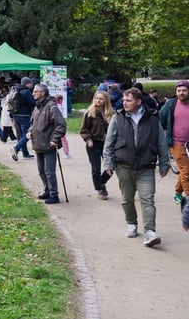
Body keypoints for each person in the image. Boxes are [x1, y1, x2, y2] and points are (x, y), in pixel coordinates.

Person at [104, 87, 170, 246]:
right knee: (127, 199)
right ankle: (131, 223)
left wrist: (165, 163)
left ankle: (150, 232)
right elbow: (109, 142)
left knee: (147, 199)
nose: (124, 103)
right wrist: (108, 162)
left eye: (128, 100)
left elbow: (161, 141)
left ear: (138, 102)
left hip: (146, 166)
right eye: (124, 100)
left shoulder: (153, 118)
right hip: (124, 165)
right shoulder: (118, 117)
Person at [26, 83, 66, 204]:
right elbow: (33, 123)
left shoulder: (51, 106)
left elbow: (61, 125)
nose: (33, 93)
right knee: (41, 171)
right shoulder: (37, 107)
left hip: (48, 144)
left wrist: (55, 139)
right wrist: (29, 131)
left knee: (49, 171)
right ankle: (47, 190)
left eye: (35, 91)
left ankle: (54, 194)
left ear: (42, 93)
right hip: (38, 143)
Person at [159, 80, 189, 205]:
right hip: (176, 142)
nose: (181, 93)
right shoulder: (171, 104)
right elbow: (161, 119)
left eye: (184, 90)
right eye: (179, 90)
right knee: (186, 171)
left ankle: (177, 193)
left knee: (184, 171)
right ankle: (188, 197)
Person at [80, 90, 114, 200]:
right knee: (96, 168)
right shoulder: (90, 113)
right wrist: (88, 140)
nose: (98, 101)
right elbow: (83, 130)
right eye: (97, 98)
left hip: (107, 144)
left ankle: (101, 182)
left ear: (106, 100)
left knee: (111, 166)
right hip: (93, 143)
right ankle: (100, 189)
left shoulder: (110, 114)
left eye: (101, 99)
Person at [10, 77, 36, 161]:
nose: (32, 84)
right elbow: (32, 103)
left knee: (21, 135)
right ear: (26, 84)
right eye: (30, 83)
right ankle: (16, 148)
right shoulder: (27, 92)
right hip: (25, 115)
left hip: (16, 114)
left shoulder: (17, 90)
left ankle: (25, 154)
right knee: (27, 134)